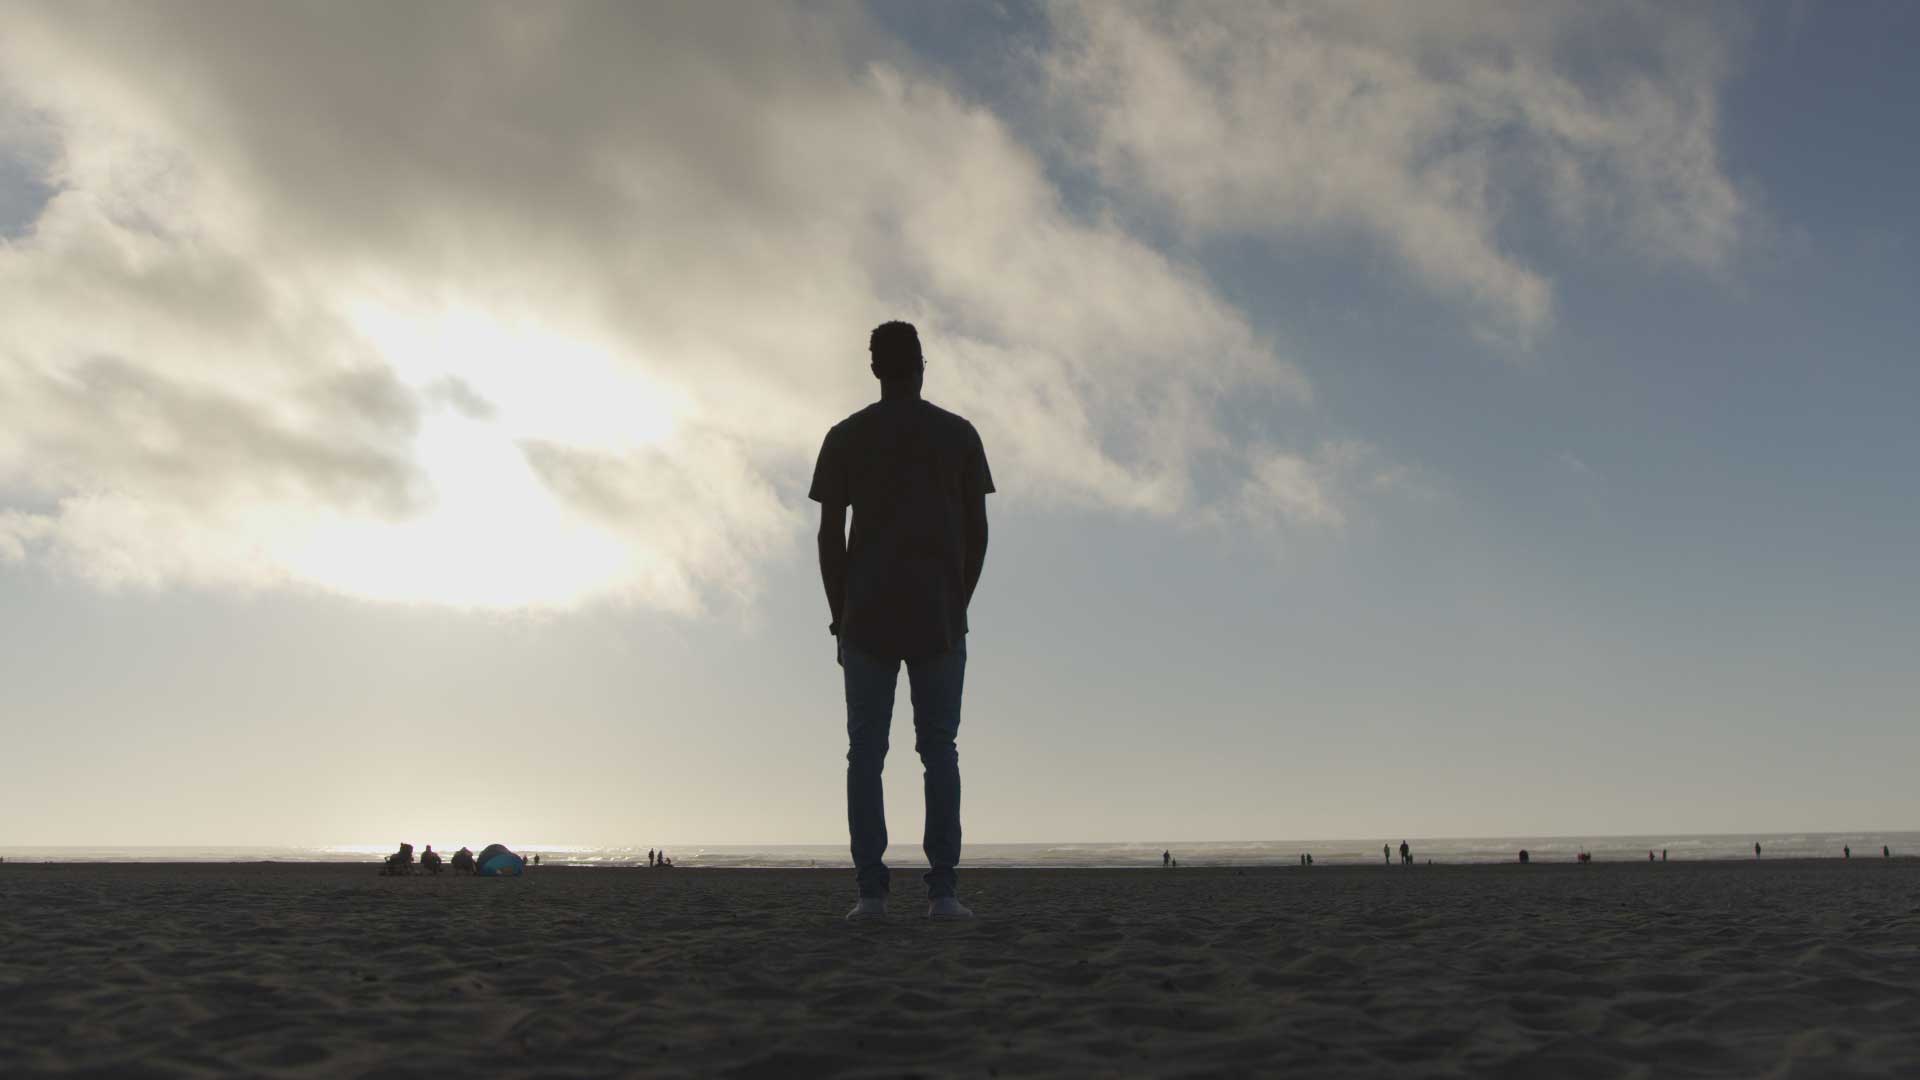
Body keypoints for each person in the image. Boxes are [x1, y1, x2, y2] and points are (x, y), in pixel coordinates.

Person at [813, 321, 993, 922]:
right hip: (937, 614)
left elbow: (828, 536)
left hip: (867, 613)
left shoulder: (846, 436)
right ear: (921, 363)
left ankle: (871, 892)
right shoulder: (959, 435)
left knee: (866, 752)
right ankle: (942, 891)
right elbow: (979, 533)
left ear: (874, 368)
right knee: (937, 749)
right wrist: (957, 599)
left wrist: (839, 613)